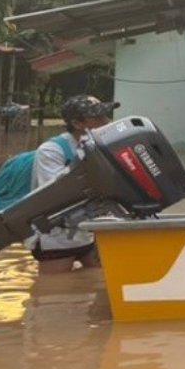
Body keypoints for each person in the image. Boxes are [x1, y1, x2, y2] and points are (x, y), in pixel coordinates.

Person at [27, 95, 117, 273]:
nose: (107, 121)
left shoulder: (103, 145)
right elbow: (55, 194)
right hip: (56, 236)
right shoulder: (51, 151)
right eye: (98, 118)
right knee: (53, 293)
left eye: (106, 115)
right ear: (77, 123)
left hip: (89, 233)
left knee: (100, 280)